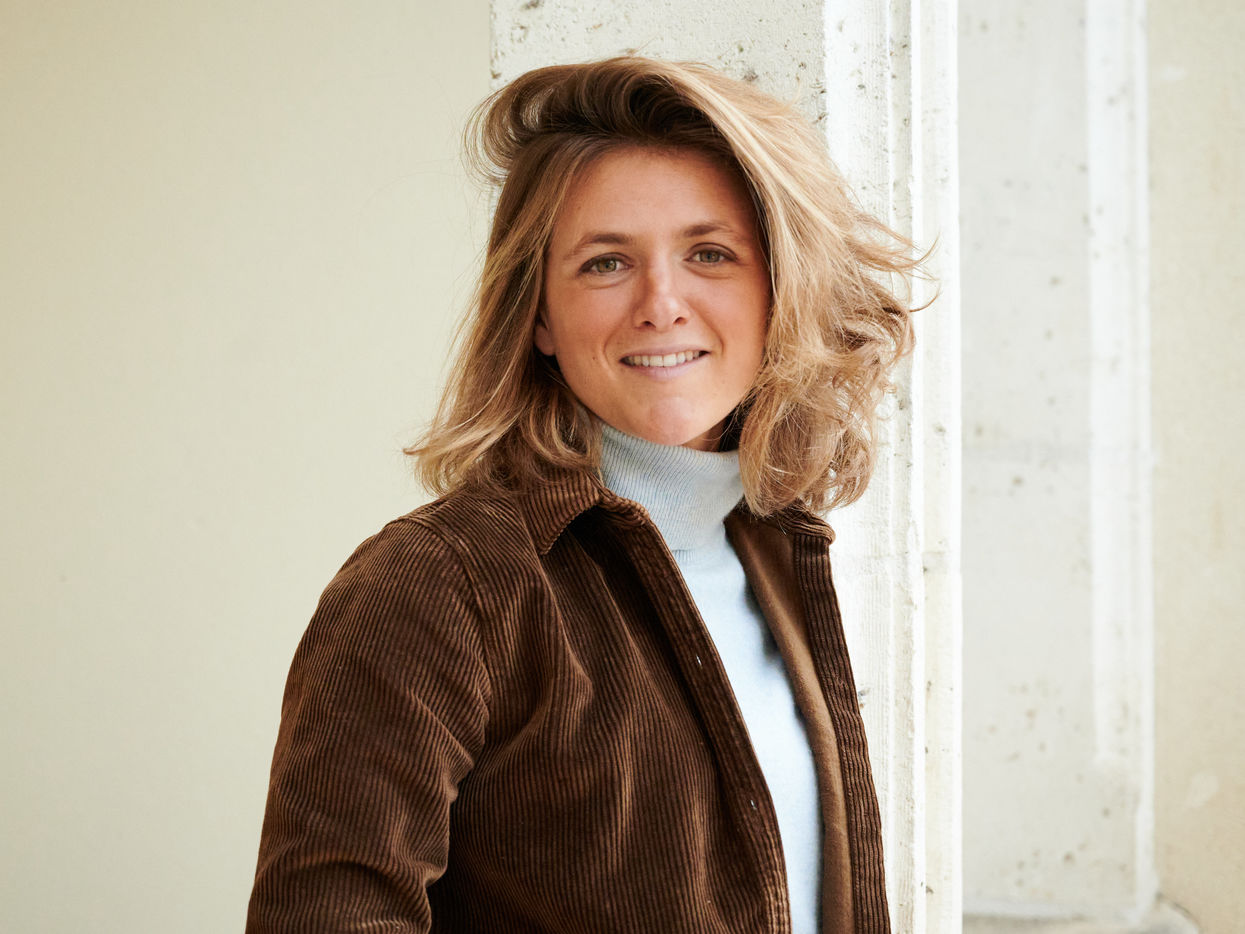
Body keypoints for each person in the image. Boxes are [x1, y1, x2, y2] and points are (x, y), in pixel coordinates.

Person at [247, 56, 919, 934]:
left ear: (779, 289)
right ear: (539, 316)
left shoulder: (774, 546)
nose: (660, 304)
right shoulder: (440, 584)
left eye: (709, 254)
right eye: (605, 263)